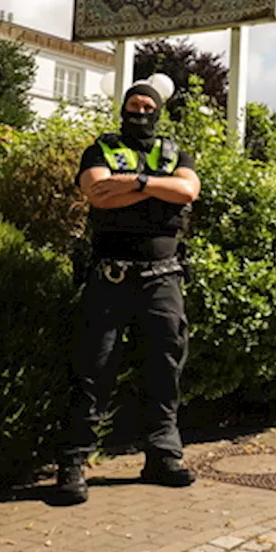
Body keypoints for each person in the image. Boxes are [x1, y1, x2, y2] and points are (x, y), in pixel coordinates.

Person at [54, 77, 201, 506]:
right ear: (123, 109)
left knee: (165, 367)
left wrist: (132, 184)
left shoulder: (176, 152)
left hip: (163, 278)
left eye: (147, 107)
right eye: (133, 106)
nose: (140, 113)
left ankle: (162, 456)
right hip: (110, 278)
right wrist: (155, 187)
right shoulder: (99, 148)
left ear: (158, 111)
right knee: (92, 368)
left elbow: (187, 189)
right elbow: (97, 194)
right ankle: (74, 463)